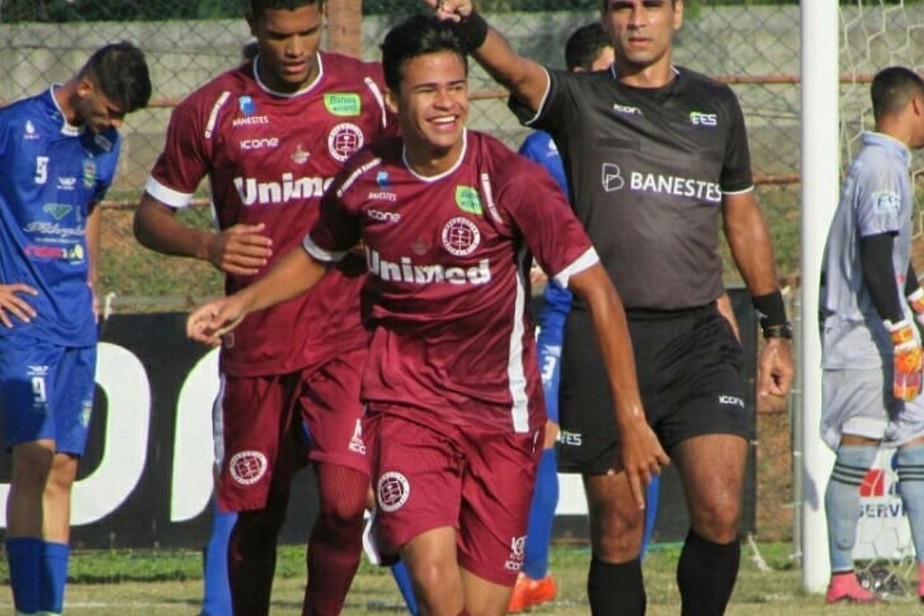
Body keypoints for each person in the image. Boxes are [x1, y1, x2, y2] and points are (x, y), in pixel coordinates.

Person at [186, 14, 668, 616]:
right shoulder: (367, 178)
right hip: (406, 410)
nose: (447, 105)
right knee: (438, 592)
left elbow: (599, 291)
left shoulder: (510, 181)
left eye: (457, 87)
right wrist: (241, 302)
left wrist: (631, 417)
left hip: (501, 417)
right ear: (394, 98)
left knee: (480, 606)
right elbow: (315, 254)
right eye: (427, 90)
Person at [425, 1, 795, 614]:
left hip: (700, 334)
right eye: (623, 6)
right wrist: (466, 23)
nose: (638, 19)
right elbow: (516, 72)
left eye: (652, 5)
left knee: (721, 507)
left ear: (677, 14)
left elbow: (743, 216)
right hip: (605, 338)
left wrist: (774, 324)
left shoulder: (717, 105)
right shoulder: (579, 100)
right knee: (620, 531)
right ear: (607, 16)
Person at [132, 1, 395, 614]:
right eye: (281, 35)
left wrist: (380, 231)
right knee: (256, 516)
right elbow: (149, 218)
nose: (297, 48)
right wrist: (208, 244)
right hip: (257, 346)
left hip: (347, 335)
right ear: (253, 25)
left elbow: (415, 175)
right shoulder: (214, 108)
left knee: (344, 501)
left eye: (309, 32)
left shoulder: (367, 93)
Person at [0, 42, 151, 616]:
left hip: (74, 323)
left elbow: (89, 206)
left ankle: (49, 609)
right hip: (23, 320)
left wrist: (91, 278)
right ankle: (29, 606)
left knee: (64, 465)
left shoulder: (104, 144)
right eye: (111, 111)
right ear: (84, 86)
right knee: (34, 456)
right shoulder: (14, 127)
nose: (114, 125)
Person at [819, 65, 924, 604]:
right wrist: (902, 332)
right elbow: (874, 254)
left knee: (916, 441)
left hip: (885, 327)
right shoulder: (881, 166)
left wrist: (916, 297)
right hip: (863, 335)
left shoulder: (883, 164)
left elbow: (892, 256)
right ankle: (841, 576)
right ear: (916, 108)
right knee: (859, 447)